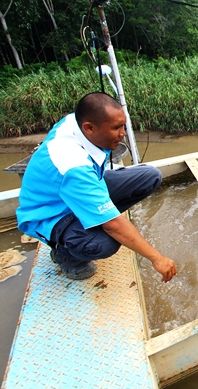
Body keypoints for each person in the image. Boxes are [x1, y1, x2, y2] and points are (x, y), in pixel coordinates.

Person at [17, 92, 177, 282]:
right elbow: (113, 227)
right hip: (52, 213)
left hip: (74, 190)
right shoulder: (73, 166)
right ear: (89, 128)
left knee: (149, 176)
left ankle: (95, 216)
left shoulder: (72, 122)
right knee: (105, 242)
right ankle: (66, 256)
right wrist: (157, 258)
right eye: (116, 128)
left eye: (123, 126)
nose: (123, 133)